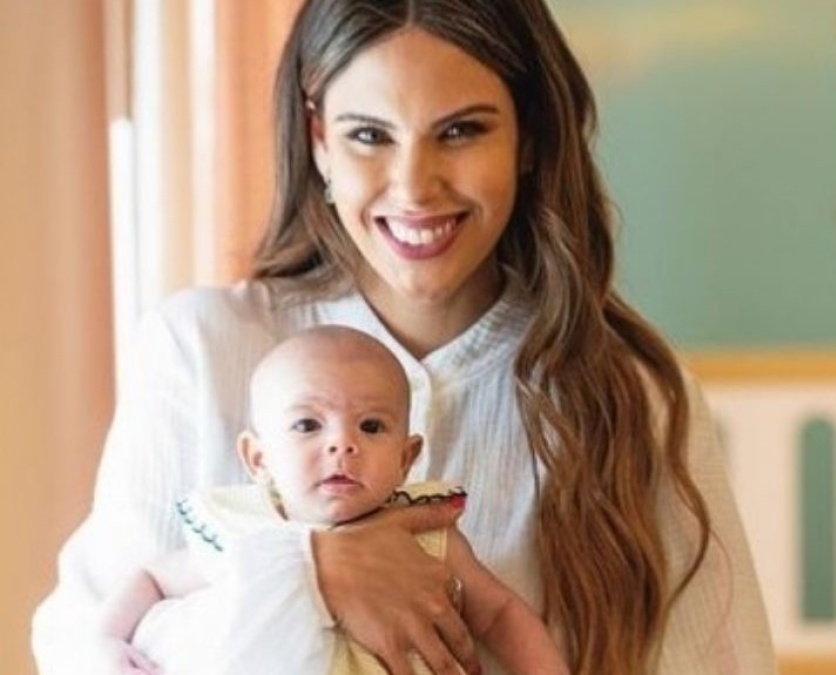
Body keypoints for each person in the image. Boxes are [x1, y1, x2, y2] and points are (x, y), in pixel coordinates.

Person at [32, 0, 777, 673]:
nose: (415, 186)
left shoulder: (634, 393)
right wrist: (311, 571)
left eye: (460, 131)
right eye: (369, 135)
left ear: (527, 137)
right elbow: (82, 649)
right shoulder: (199, 349)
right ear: (319, 141)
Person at [94, 326, 569, 674]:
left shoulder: (428, 537)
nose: (343, 444)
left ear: (407, 458)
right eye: (308, 425)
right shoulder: (244, 533)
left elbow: (501, 613)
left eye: (371, 426)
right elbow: (151, 578)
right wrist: (106, 644)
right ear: (258, 458)